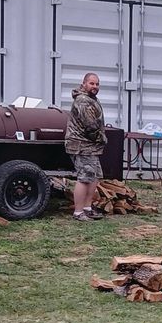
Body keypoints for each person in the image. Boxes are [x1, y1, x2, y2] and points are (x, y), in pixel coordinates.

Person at [64, 72, 107, 221]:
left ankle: (88, 208)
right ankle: (78, 212)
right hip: (81, 145)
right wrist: (102, 139)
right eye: (91, 83)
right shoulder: (83, 100)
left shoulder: (91, 99)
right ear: (84, 84)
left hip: (91, 146)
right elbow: (90, 126)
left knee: (94, 177)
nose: (95, 86)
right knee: (84, 178)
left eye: (97, 84)